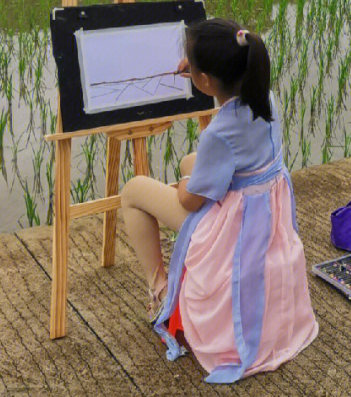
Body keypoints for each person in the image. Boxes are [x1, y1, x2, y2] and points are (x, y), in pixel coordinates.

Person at [119, 19, 318, 383]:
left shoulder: (219, 134)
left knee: (133, 191)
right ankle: (163, 283)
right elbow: (225, 151)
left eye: (191, 66)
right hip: (264, 200)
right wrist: (198, 72)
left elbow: (190, 200)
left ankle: (159, 289)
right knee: (188, 161)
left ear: (206, 81)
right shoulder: (263, 95)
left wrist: (182, 183)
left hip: (234, 224)